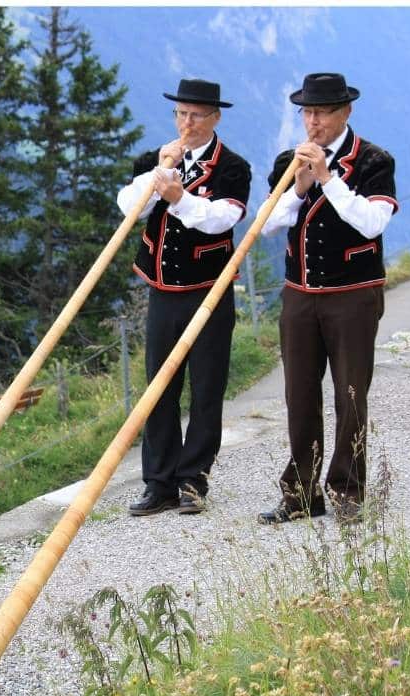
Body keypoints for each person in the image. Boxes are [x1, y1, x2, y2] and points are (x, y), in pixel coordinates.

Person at [257, 72, 398, 525]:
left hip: (353, 295)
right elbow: (267, 224)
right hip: (299, 295)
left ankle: (347, 490)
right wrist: (299, 186)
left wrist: (329, 178)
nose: (312, 122)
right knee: (299, 394)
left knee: (350, 394)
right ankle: (300, 493)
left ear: (346, 113)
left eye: (321, 113)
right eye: (307, 113)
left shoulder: (374, 160)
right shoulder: (286, 161)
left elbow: (372, 223)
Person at [118, 78, 251, 516]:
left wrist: (179, 198)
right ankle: (159, 483)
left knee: (206, 387)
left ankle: (193, 480)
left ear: (214, 118)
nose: (186, 123)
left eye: (195, 115)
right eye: (180, 114)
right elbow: (127, 205)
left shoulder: (233, 167)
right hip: (162, 291)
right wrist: (156, 176)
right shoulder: (156, 159)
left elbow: (221, 219)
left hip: (209, 292)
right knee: (159, 387)